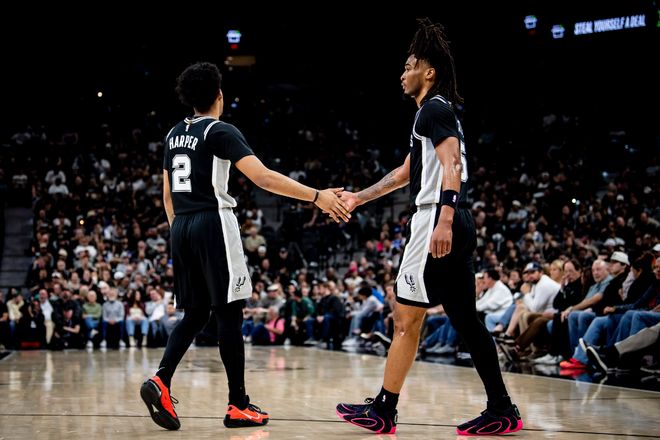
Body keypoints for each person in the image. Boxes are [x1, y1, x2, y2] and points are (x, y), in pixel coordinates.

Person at [335, 18, 522, 435]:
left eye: (409, 66)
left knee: (406, 318)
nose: (402, 74)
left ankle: (384, 409)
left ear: (429, 72)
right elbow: (406, 172)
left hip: (436, 218)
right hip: (453, 218)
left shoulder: (434, 109)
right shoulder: (432, 115)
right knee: (466, 321)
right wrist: (359, 197)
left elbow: (452, 163)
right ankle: (502, 408)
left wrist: (444, 218)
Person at [140, 61, 350, 431]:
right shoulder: (219, 130)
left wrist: (181, 235)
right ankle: (238, 404)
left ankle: (161, 378)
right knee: (230, 314)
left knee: (195, 314)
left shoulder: (173, 135)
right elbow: (263, 177)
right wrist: (317, 196)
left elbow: (167, 196)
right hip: (212, 222)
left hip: (181, 226)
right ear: (219, 95)